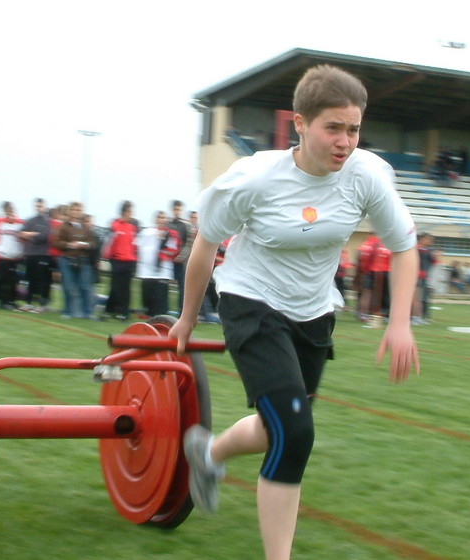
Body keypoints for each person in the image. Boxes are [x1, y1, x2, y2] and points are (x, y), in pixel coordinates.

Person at [168, 64, 419, 560]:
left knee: (279, 425)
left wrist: (400, 322)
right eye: (333, 127)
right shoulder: (254, 179)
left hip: (313, 313)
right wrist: (187, 317)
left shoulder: (366, 175)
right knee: (296, 431)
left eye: (353, 129)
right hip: (250, 301)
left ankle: (208, 452)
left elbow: (404, 247)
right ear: (300, 124)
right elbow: (206, 245)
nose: (345, 141)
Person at [55, 201, 97, 318]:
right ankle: (67, 311)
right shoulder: (64, 226)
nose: (76, 212)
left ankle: (87, 312)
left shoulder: (86, 228)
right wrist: (69, 245)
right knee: (68, 286)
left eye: (78, 210)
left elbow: (93, 243)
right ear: (70, 211)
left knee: (85, 287)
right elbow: (57, 242)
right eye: (74, 210)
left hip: (83, 260)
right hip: (67, 259)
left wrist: (85, 245)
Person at [135, 210, 180, 317]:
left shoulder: (171, 234)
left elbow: (174, 251)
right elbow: (137, 246)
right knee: (148, 299)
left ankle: (161, 321)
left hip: (162, 272)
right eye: (159, 217)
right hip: (146, 272)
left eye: (163, 218)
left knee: (160, 300)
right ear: (155, 219)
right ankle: (149, 317)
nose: (161, 220)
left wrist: (163, 252)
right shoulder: (146, 232)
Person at [103, 200, 137, 320]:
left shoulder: (132, 227)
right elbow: (109, 242)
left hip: (129, 260)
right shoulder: (114, 225)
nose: (131, 214)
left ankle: (124, 312)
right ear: (124, 212)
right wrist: (109, 258)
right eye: (129, 212)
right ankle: (110, 309)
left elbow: (134, 245)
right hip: (117, 260)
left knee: (126, 288)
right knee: (115, 287)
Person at [19, 198, 53, 312]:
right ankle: (28, 303)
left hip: (42, 254)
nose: (39, 208)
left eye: (41, 206)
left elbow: (43, 237)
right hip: (30, 254)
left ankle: (42, 304)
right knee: (30, 279)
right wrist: (31, 234)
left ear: (45, 207)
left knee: (42, 279)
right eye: (37, 206)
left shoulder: (47, 221)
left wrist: (29, 235)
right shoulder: (30, 220)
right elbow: (21, 233)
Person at [0, 201, 24, 309]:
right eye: (7, 211)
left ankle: (10, 300)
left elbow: (23, 238)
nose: (9, 213)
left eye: (10, 211)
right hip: (1, 255)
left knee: (12, 280)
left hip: (14, 256)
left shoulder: (20, 223)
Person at [168, 200, 192, 312]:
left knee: (182, 287)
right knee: (165, 285)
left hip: (181, 262)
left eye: (179, 209)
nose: (177, 212)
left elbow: (189, 243)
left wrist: (181, 257)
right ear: (172, 210)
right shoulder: (168, 224)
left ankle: (181, 310)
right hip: (168, 261)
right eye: (175, 209)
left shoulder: (186, 225)